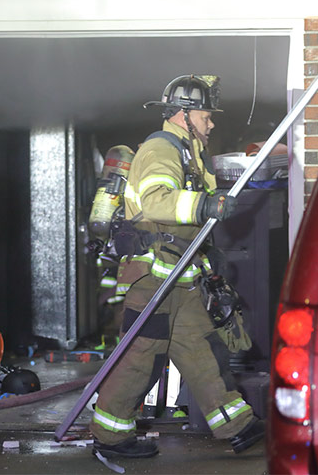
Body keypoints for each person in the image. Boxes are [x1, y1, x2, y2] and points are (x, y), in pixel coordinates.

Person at [89, 75, 266, 459]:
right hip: (153, 279)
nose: (212, 123)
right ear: (184, 115)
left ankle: (237, 425)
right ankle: (110, 435)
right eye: (206, 114)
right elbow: (155, 201)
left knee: (204, 349)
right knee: (140, 359)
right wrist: (204, 206)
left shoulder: (187, 151)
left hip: (179, 279)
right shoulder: (160, 149)